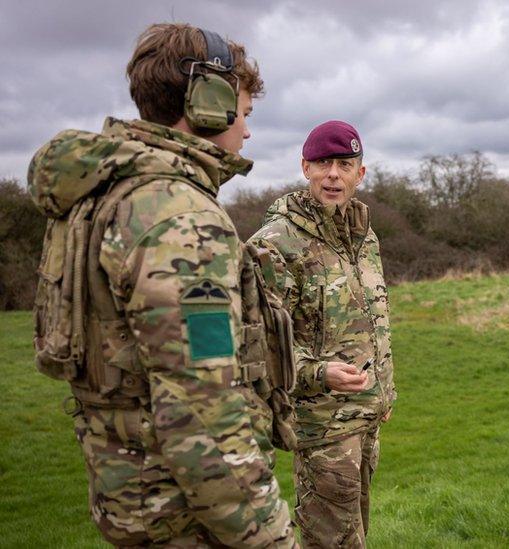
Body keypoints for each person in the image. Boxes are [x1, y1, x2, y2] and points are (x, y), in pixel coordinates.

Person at [26, 23, 295, 547]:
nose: (247, 130)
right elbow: (201, 409)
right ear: (208, 101)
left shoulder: (111, 195)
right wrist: (270, 535)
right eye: (244, 111)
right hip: (191, 519)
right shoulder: (179, 217)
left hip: (135, 503)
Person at [248, 121, 397, 548]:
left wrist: (385, 391)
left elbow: (375, 317)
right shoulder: (275, 244)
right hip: (322, 424)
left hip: (367, 414)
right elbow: (258, 341)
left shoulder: (364, 236)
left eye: (344, 164)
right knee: (331, 542)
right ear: (305, 168)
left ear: (360, 173)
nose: (333, 174)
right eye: (322, 163)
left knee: (358, 535)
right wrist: (319, 373)